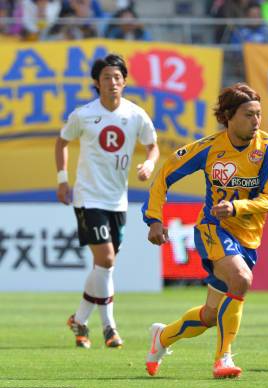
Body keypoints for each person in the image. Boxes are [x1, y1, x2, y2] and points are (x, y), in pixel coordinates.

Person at [142, 83, 268, 379]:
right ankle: (224, 359)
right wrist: (154, 217)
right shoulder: (209, 148)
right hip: (213, 228)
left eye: (259, 114)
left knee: (209, 315)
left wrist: (237, 208)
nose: (256, 121)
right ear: (229, 116)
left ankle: (163, 337)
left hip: (248, 236)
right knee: (242, 278)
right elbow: (165, 174)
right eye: (248, 115)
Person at [56, 54, 159, 349]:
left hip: (118, 200)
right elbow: (62, 141)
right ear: (96, 84)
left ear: (124, 81)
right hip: (88, 197)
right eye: (106, 78)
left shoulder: (136, 115)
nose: (112, 83)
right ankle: (109, 328)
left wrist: (149, 165)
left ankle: (79, 320)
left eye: (117, 77)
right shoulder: (83, 114)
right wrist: (63, 178)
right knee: (107, 260)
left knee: (102, 267)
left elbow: (152, 147)